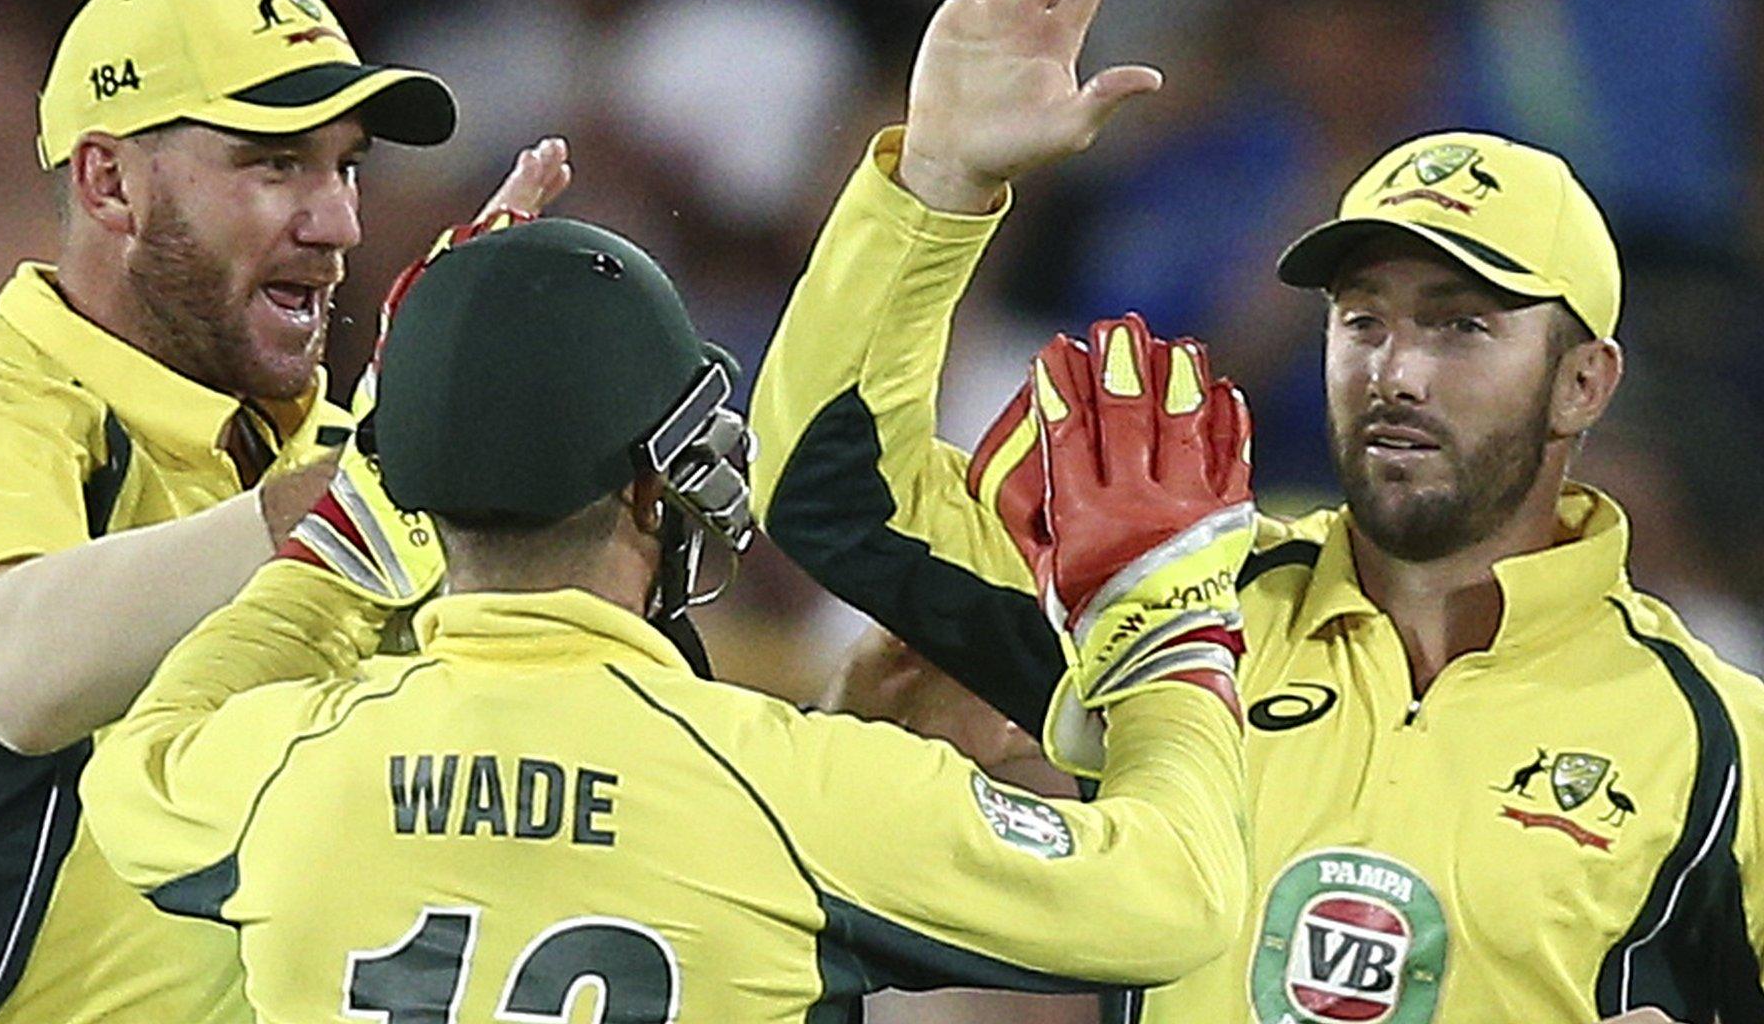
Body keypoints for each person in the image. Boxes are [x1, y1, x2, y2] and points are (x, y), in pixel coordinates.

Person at [749, 0, 1764, 1022]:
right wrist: (936, 181)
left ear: (1582, 382)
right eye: (1361, 318)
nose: (1397, 370)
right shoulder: (1168, 612)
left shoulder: (1715, 740)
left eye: (1458, 324)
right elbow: (828, 490)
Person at [77, 74, 1251, 1023]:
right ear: (657, 475)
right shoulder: (796, 789)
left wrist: (349, 537)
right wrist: (1166, 632)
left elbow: (137, 775)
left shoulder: (280, 766)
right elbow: (1174, 897)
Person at [0, 0, 569, 1024]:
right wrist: (350, 492)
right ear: (109, 183)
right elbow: (14, 672)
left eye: (347, 167)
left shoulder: (356, 455)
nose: (337, 224)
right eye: (274, 164)